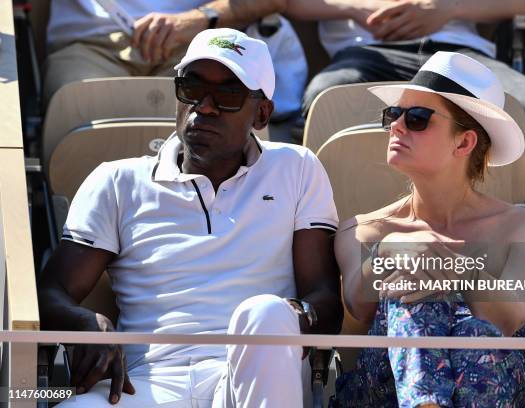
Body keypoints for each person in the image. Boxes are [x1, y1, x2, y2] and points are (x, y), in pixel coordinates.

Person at [38, 28, 343, 407]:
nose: (205, 106)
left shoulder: (296, 168)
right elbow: (52, 293)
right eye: (192, 87)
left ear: (262, 113)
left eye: (228, 94)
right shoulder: (117, 180)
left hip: (251, 376)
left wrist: (291, 318)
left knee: (264, 312)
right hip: (144, 383)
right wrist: (83, 322)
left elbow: (326, 300)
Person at [332, 52, 525, 406]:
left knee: (476, 333)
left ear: (464, 143)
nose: (397, 126)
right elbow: (357, 306)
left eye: (417, 118)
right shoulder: (364, 230)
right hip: (388, 388)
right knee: (414, 285)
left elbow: (508, 319)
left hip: (502, 382)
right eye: (394, 114)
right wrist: (390, 252)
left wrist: (457, 271)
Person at [283, 0, 525, 209]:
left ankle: (518, 229)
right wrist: (357, 7)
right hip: (366, 50)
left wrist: (448, 8)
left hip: (458, 54)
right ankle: (323, 233)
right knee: (327, 97)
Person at [43, 0, 305, 120]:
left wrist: (198, 18)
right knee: (76, 114)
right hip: (90, 44)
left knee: (219, 118)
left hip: (197, 45)